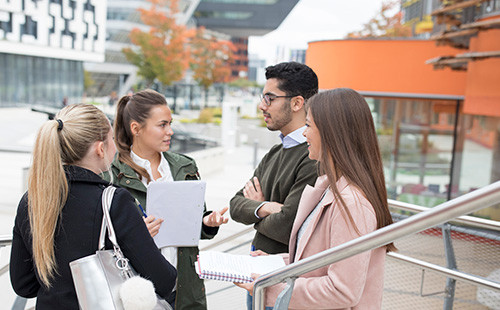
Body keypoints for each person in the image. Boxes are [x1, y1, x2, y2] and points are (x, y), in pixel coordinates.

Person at [235, 88, 396, 309]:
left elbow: (342, 290)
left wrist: (272, 286)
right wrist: (274, 265)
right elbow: (317, 261)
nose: (304, 134)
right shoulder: (329, 188)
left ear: (332, 133)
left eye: (309, 126)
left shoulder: (352, 203)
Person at [10, 104, 177, 309]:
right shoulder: (115, 202)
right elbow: (165, 281)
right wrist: (139, 237)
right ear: (100, 148)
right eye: (112, 140)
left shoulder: (32, 200)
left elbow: (23, 285)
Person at [104, 89, 227, 310]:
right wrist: (134, 233)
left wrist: (207, 222)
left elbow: (193, 223)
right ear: (136, 129)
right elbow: (101, 235)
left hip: (185, 287)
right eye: (162, 125)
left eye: (170, 123)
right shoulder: (111, 174)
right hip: (137, 291)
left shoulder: (185, 166)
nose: (170, 131)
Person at [229, 62, 319, 255]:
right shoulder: (275, 152)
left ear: (296, 103)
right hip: (260, 272)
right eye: (263, 98)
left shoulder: (314, 157)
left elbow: (288, 226)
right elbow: (235, 205)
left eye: (270, 98)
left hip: (287, 276)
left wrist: (255, 212)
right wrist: (267, 207)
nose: (262, 106)